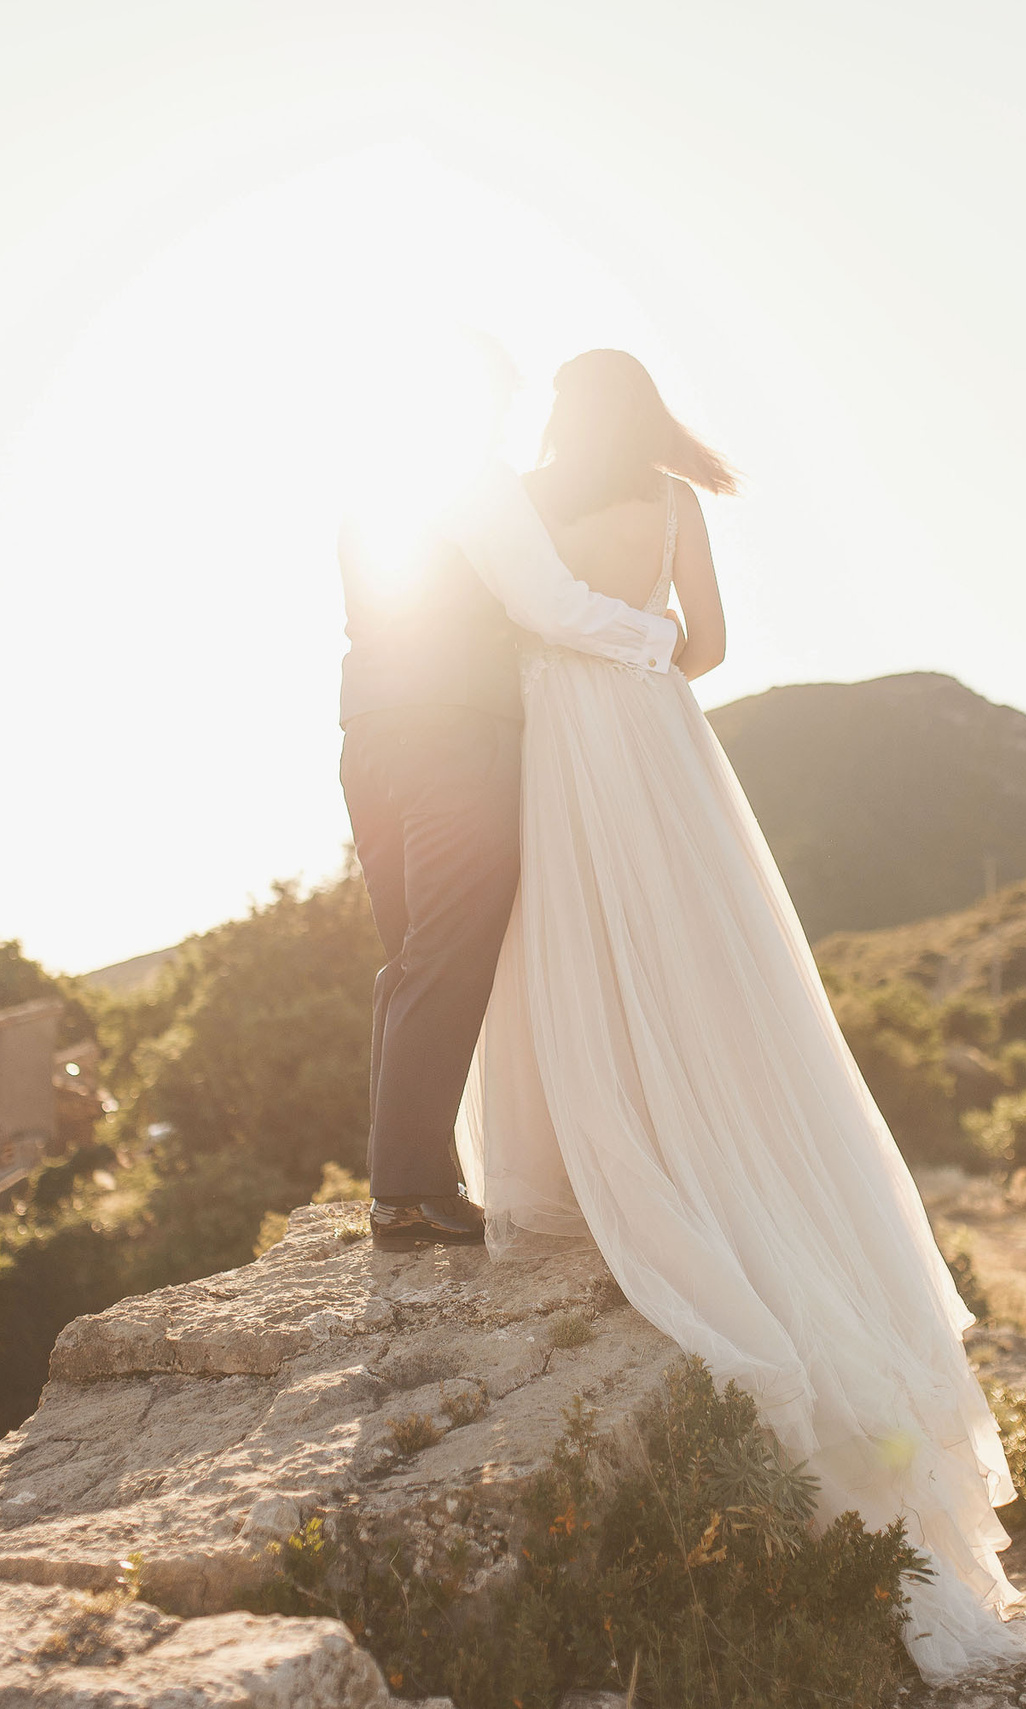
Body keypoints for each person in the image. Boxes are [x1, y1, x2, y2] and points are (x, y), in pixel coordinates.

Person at [456, 349, 1026, 1676]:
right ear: (645, 410)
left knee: (574, 953)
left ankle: (606, 1166)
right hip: (656, 743)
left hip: (552, 742)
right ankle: (714, 1157)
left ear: (560, 412)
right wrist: (643, 627)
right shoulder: (672, 498)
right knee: (705, 973)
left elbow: (497, 620)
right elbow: (709, 648)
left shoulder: (526, 497)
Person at [336, 356, 680, 1251]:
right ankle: (408, 1193)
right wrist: (660, 637)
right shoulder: (476, 481)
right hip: (454, 738)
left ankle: (405, 1185)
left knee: (413, 959)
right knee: (446, 958)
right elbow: (553, 604)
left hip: (368, 739)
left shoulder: (375, 485)